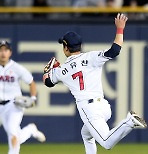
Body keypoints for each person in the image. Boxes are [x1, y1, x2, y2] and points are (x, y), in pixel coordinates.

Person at [43, 13, 147, 154]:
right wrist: (120, 29)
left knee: (106, 142)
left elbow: (48, 82)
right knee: (86, 134)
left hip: (88, 109)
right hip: (104, 107)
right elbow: (115, 50)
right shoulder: (91, 57)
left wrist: (48, 71)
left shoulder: (62, 70)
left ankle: (129, 122)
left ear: (66, 48)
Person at [0, 40, 46, 154]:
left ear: (10, 52)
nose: (3, 53)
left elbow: (31, 82)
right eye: (1, 50)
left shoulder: (16, 67)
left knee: (12, 134)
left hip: (15, 104)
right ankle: (30, 130)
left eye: (6, 50)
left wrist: (33, 98)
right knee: (16, 136)